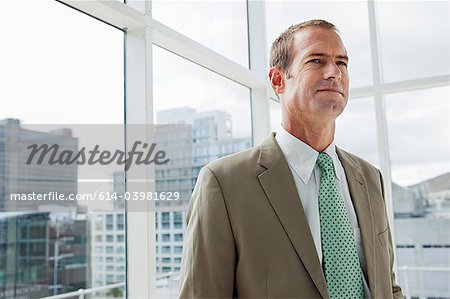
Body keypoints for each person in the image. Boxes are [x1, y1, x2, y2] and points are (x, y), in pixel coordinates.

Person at [179, 19, 403, 298]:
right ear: (278, 80)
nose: (334, 72)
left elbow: (387, 286)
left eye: (342, 63)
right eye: (316, 61)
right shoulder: (224, 183)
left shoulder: (370, 178)